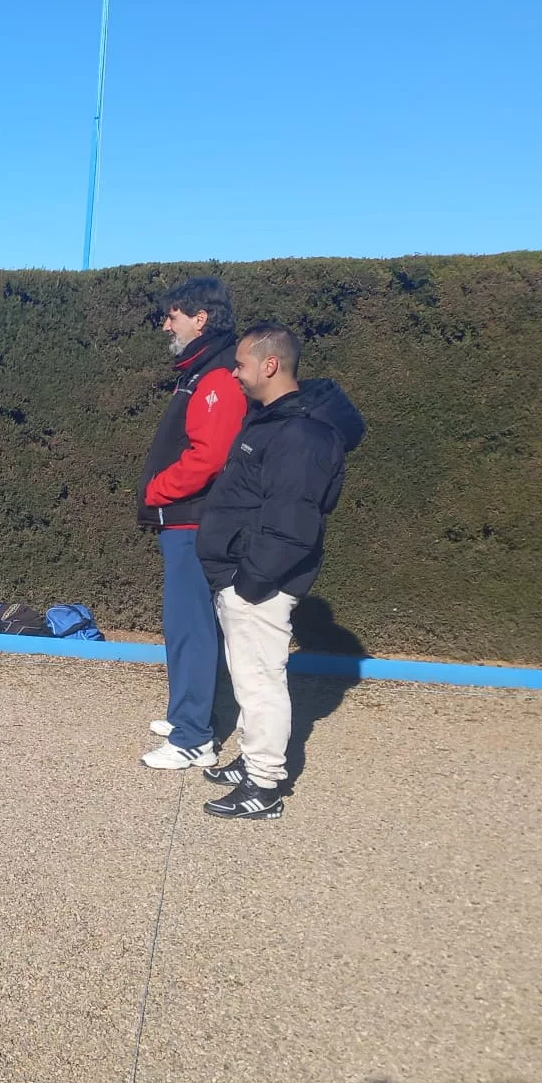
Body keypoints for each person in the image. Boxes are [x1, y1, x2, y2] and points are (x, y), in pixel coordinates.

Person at [194, 322, 365, 819]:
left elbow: (293, 523)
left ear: (270, 365)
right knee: (248, 675)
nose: (235, 372)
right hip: (242, 575)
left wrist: (248, 582)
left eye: (242, 364)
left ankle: (264, 785)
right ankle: (252, 761)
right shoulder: (273, 421)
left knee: (260, 679)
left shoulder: (302, 434)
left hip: (258, 583)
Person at [136, 277, 249, 771]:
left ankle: (192, 738)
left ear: (201, 318)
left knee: (192, 627)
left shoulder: (216, 375)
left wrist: (156, 489)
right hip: (185, 520)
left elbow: (210, 457)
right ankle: (186, 714)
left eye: (174, 314)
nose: (166, 323)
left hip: (193, 522)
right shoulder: (201, 371)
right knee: (186, 626)